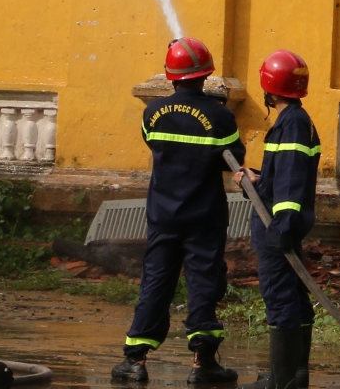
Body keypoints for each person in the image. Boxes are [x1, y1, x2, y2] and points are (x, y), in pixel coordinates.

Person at [113, 37, 246, 386]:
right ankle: (203, 364)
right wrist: (215, 110)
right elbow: (234, 157)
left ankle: (135, 360)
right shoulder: (220, 116)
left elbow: (154, 143)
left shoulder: (151, 113)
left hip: (163, 214)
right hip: (204, 215)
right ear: (206, 75)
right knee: (203, 282)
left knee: (156, 280)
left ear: (171, 75)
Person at [238, 49, 321, 389]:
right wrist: (256, 180)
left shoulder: (292, 125)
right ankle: (295, 374)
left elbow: (290, 183)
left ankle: (281, 380)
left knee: (280, 295)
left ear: (269, 86)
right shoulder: (294, 121)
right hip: (281, 219)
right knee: (295, 294)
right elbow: (282, 177)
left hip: (278, 225)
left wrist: (282, 228)